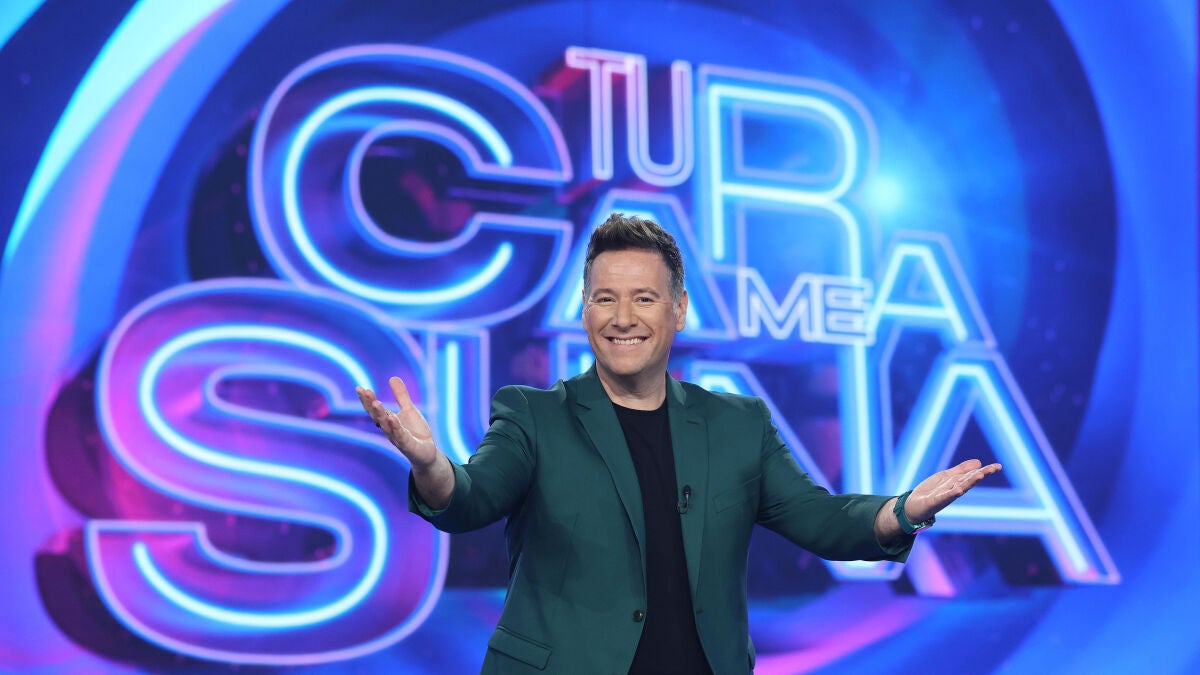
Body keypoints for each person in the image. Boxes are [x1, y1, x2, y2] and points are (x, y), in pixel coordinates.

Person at [357, 213, 1001, 674]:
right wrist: (432, 465)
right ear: (584, 311)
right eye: (605, 299)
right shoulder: (533, 414)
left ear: (679, 309)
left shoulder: (738, 424)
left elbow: (821, 520)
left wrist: (904, 511)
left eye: (644, 298)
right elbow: (469, 499)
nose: (623, 318)